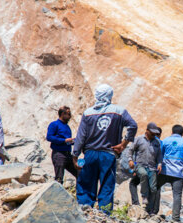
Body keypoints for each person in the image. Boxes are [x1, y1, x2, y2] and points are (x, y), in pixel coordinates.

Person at [72, 84, 137, 212]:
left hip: (90, 153)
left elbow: (81, 136)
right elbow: (133, 125)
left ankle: (84, 208)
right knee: (107, 183)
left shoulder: (88, 113)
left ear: (97, 95)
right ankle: (104, 211)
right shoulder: (119, 111)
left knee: (86, 182)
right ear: (110, 95)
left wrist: (75, 155)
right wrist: (123, 144)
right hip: (108, 154)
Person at [151, 124, 183, 221]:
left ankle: (152, 211)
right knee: (177, 195)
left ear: (172, 132)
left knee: (155, 188)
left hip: (164, 171)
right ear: (182, 133)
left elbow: (159, 155)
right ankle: (175, 218)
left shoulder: (165, 141)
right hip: (179, 174)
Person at [128, 122, 163, 214]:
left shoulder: (156, 142)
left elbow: (159, 155)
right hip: (140, 165)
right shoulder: (139, 139)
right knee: (143, 174)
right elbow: (131, 150)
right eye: (152, 133)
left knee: (153, 188)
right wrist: (130, 160)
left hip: (152, 167)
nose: (154, 135)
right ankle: (144, 196)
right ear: (147, 131)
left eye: (155, 133)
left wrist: (159, 164)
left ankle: (149, 210)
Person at [46, 106, 77, 183]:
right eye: (69, 114)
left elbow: (67, 141)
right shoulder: (54, 124)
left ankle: (80, 193)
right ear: (63, 114)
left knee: (80, 173)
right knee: (59, 178)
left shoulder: (67, 127)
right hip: (59, 154)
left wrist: (74, 141)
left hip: (68, 155)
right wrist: (64, 140)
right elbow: (49, 137)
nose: (70, 116)